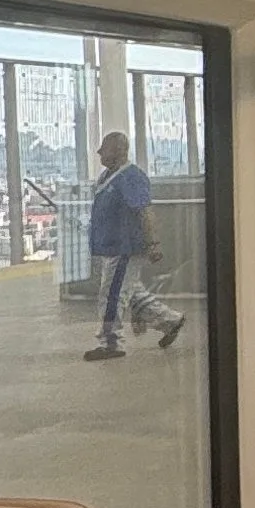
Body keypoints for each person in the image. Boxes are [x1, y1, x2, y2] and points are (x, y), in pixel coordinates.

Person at [82, 130, 186, 361]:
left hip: (124, 248)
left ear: (119, 150)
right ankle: (170, 321)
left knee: (111, 296)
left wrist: (153, 243)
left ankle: (111, 342)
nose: (99, 152)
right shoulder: (107, 177)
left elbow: (145, 211)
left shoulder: (131, 177)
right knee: (131, 292)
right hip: (111, 248)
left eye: (105, 148)